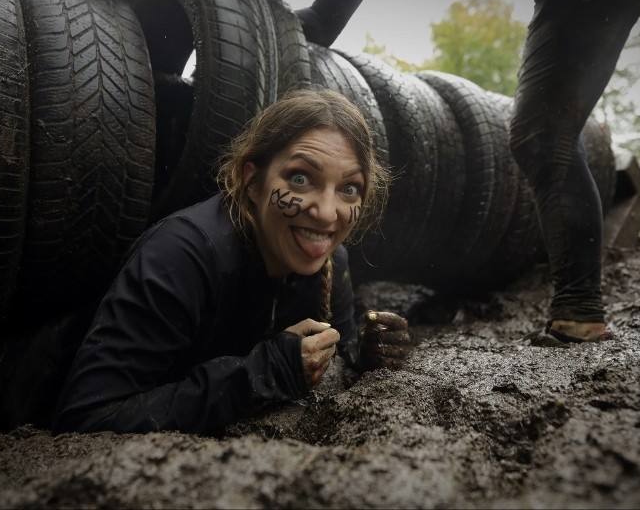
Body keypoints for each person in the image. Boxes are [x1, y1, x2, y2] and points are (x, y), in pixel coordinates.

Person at [52, 89, 411, 435]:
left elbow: (337, 361)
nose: (326, 213)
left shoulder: (329, 260)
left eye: (349, 188)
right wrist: (264, 374)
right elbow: (87, 416)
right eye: (300, 179)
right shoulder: (181, 255)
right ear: (252, 180)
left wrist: (364, 357)